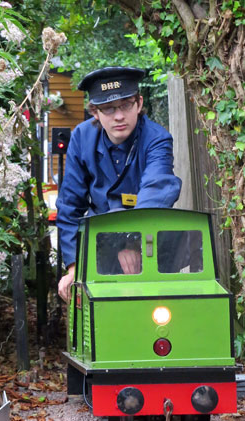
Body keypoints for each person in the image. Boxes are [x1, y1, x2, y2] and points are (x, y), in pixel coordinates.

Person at [56, 66, 182, 301]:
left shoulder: (157, 139)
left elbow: (156, 190)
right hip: (100, 249)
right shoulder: (81, 137)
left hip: (151, 247)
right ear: (95, 112)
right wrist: (74, 266)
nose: (119, 116)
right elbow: (69, 204)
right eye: (109, 108)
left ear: (139, 103)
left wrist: (134, 243)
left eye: (125, 105)